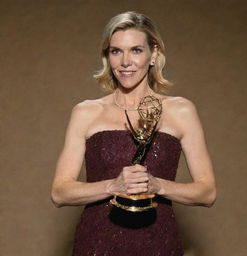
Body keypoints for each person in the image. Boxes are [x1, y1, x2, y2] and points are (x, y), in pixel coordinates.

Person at [51, 11, 216, 256]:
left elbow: (207, 192)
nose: (125, 61)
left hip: (159, 243)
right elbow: (60, 192)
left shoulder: (181, 110)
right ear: (108, 56)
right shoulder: (86, 112)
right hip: (96, 243)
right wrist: (112, 186)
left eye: (136, 50)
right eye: (116, 51)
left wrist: (158, 185)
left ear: (154, 54)